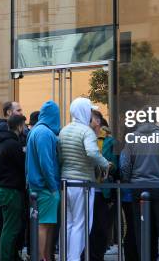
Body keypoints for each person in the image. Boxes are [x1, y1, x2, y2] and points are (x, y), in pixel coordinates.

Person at [58, 97, 109, 261]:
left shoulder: (64, 130)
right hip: (83, 183)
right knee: (82, 224)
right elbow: (93, 153)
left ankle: (66, 257)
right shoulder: (86, 131)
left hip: (66, 182)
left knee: (68, 223)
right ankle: (73, 258)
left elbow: (59, 156)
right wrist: (105, 163)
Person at [120, 117, 159, 261]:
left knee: (141, 228)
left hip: (137, 187)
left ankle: (145, 257)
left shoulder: (132, 138)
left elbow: (125, 165)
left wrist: (127, 181)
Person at [26, 100, 60, 261]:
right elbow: (46, 163)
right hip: (45, 188)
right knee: (44, 225)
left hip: (36, 186)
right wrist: (54, 188)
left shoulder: (35, 131)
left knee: (43, 224)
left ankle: (44, 257)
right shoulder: (45, 134)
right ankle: (42, 258)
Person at [0, 114, 26, 261]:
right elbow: (22, 166)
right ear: (19, 126)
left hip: (3, 189)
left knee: (9, 225)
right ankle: (6, 257)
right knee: (10, 227)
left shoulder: (2, 142)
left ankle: (10, 255)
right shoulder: (13, 144)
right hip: (10, 190)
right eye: (23, 125)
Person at [88, 110, 117, 261]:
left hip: (102, 190)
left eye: (90, 118)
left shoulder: (110, 141)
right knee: (87, 227)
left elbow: (115, 166)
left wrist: (105, 166)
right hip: (85, 188)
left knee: (100, 227)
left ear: (98, 121)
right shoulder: (84, 137)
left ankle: (97, 257)